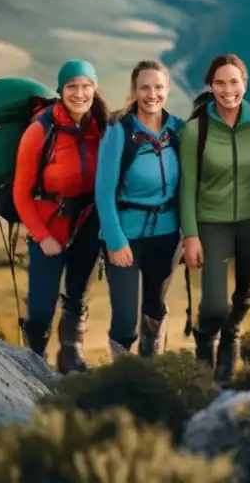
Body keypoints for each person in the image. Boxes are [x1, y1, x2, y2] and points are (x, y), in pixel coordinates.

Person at [179, 54, 250, 383]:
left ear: (245, 84)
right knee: (214, 304)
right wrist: (190, 235)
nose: (228, 89)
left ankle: (231, 335)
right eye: (220, 82)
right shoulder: (195, 130)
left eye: (234, 82)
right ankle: (205, 343)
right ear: (211, 86)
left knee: (245, 295)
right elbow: (186, 187)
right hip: (211, 221)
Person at [12, 59, 107, 374]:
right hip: (49, 227)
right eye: (72, 87)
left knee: (77, 296)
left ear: (95, 89)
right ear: (61, 90)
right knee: (40, 309)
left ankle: (71, 357)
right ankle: (35, 360)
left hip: (87, 226)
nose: (79, 94)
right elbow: (21, 193)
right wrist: (43, 237)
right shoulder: (40, 131)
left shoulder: (102, 127)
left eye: (86, 86)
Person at [95, 60, 186, 359]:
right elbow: (104, 193)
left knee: (154, 307)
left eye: (158, 87)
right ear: (134, 91)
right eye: (144, 87)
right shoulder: (119, 132)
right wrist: (114, 239)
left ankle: (151, 368)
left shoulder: (178, 130)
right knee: (124, 321)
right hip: (126, 234)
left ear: (167, 90)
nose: (152, 94)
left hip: (168, 235)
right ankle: (123, 377)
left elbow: (189, 184)